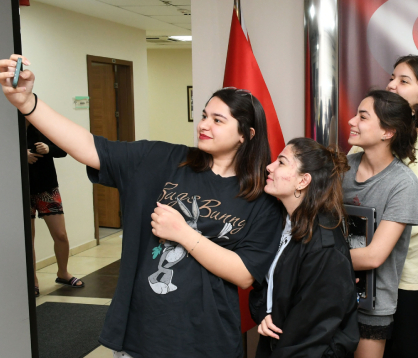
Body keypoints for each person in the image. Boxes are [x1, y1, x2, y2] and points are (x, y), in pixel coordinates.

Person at [2, 55, 284, 358]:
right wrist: (27, 103)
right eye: (204, 115)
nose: (203, 125)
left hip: (209, 339)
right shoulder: (162, 160)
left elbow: (244, 273)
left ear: (246, 134)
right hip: (143, 333)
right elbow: (88, 146)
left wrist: (182, 233)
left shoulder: (262, 198)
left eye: (218, 120)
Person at [349, 56, 418, 358]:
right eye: (391, 78)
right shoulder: (363, 143)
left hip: (410, 281)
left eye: (403, 81)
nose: (392, 85)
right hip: (360, 271)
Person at [249, 137, 359, 357]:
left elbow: (312, 334)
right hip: (275, 344)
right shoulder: (280, 222)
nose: (269, 167)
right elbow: (263, 283)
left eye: (281, 162)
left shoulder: (324, 247)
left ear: (303, 181)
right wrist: (264, 313)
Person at [343, 90, 418, 358]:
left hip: (372, 305)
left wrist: (317, 259)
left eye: (362, 117)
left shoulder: (403, 183)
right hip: (330, 294)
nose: (352, 121)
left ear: (388, 132)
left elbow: (374, 256)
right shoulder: (342, 167)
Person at [26, 121, 84, 297]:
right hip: (22, 188)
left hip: (47, 188)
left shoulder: (43, 124)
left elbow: (63, 149)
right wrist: (21, 155)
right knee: (28, 239)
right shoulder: (9, 128)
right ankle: (32, 281)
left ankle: (63, 273)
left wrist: (48, 149)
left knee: (60, 235)